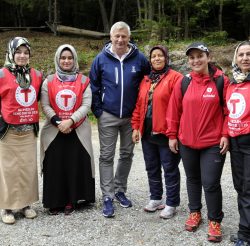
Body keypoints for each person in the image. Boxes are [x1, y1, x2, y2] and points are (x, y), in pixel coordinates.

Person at [166, 42, 230, 242]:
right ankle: (195, 212)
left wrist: (225, 134)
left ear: (208, 57)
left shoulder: (221, 81)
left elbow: (229, 112)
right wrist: (172, 135)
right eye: (192, 57)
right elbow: (174, 110)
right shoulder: (183, 82)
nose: (196, 60)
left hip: (212, 143)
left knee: (210, 183)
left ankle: (214, 220)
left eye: (199, 56)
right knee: (192, 179)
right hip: (187, 142)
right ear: (188, 61)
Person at [90, 21, 150, 218]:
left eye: (124, 36)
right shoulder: (101, 59)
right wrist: (98, 110)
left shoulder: (139, 59)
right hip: (107, 115)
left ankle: (119, 190)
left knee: (126, 154)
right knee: (106, 156)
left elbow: (148, 83)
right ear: (111, 36)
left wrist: (141, 113)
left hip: (131, 117)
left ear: (129, 38)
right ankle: (107, 196)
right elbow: (94, 85)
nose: (120, 39)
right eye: (117, 36)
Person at [40, 44, 95, 215]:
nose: (66, 61)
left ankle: (73, 200)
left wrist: (70, 121)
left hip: (76, 128)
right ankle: (55, 201)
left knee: (74, 163)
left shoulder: (84, 81)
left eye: (69, 58)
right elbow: (45, 104)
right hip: (55, 128)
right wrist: (58, 122)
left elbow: (86, 105)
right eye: (63, 58)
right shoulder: (48, 81)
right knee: (55, 164)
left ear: (74, 60)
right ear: (58, 59)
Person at [131, 45, 182, 219]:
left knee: (169, 168)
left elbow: (179, 108)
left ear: (166, 58)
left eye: (160, 56)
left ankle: (172, 203)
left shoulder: (176, 78)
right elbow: (139, 105)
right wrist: (136, 127)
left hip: (166, 132)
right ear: (150, 60)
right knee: (152, 167)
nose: (157, 59)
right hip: (147, 132)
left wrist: (174, 134)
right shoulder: (146, 80)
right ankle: (155, 197)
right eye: (153, 56)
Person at [0, 37, 42, 224]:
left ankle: (25, 204)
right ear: (11, 53)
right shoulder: (1, 74)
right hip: (8, 130)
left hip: (28, 130)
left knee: (27, 168)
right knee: (8, 170)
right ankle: (7, 207)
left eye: (26, 52)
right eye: (18, 52)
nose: (22, 56)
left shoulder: (36, 75)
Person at [226, 41, 250, 246]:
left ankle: (245, 234)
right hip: (235, 142)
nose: (245, 58)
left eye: (248, 54)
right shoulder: (233, 83)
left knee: (248, 188)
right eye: (241, 54)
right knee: (240, 186)